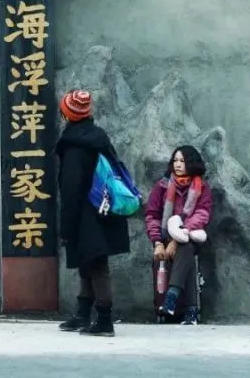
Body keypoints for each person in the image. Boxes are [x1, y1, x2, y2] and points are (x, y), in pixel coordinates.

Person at [55, 89, 130, 337]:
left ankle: (105, 321)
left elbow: (71, 188)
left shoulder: (73, 146)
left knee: (96, 265)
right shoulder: (98, 137)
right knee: (88, 261)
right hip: (105, 207)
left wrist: (66, 226)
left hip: (87, 212)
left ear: (67, 115)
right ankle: (83, 314)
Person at [144, 145, 213, 325]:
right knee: (186, 255)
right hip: (164, 237)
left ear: (191, 163)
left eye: (182, 160)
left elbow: (202, 214)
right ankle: (190, 310)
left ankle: (172, 296)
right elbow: (152, 215)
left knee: (186, 247)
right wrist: (158, 242)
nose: (178, 164)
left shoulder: (201, 187)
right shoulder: (162, 186)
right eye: (175, 160)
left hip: (191, 235)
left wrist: (179, 234)